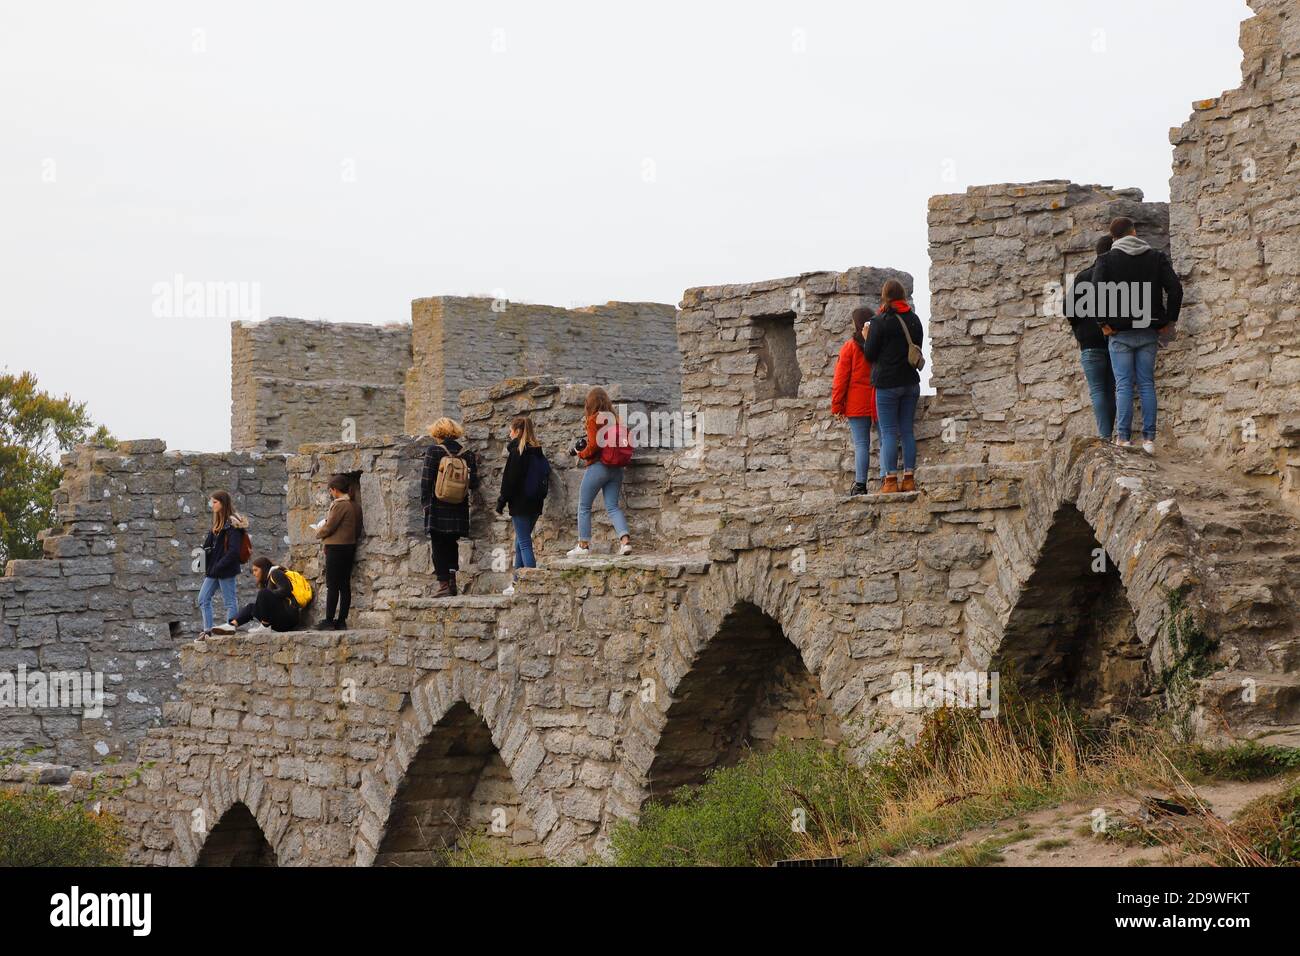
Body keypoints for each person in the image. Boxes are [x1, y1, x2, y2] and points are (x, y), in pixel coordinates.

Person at [1092, 216, 1183, 454]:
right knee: (1146, 384)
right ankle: (1149, 440)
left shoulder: (1106, 260)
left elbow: (1096, 293)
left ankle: (1123, 438)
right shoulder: (1155, 257)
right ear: (1134, 232)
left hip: (1119, 331)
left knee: (1123, 386)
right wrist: (1169, 320)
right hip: (1149, 328)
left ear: (1114, 238)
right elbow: (1175, 288)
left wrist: (1103, 323)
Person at [864, 279, 924, 493]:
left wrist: (865, 337)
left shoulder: (879, 321)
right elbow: (916, 348)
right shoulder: (915, 320)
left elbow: (870, 354)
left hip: (887, 384)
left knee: (889, 432)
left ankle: (890, 481)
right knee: (907, 430)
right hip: (910, 382)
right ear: (903, 295)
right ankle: (908, 478)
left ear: (884, 297)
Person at [567, 387, 633, 557]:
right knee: (612, 506)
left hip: (599, 467)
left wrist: (580, 453)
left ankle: (583, 545)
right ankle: (625, 543)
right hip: (616, 469)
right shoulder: (616, 419)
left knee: (584, 506)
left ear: (590, 403)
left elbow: (594, 446)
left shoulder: (593, 419)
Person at [1067, 235, 1120, 440]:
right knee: (1113, 389)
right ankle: (1113, 434)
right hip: (1115, 338)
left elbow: (1069, 310)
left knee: (1098, 390)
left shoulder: (1083, 276)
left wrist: (1080, 329)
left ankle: (1105, 436)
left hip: (1089, 342)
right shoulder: (1118, 277)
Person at [420, 417, 479, 598]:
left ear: (436, 433)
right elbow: (474, 483)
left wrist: (425, 505)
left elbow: (426, 480)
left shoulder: (434, 451)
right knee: (452, 544)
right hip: (458, 507)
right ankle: (453, 581)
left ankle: (443, 583)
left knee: (438, 544)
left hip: (438, 505)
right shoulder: (467, 453)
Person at [495, 415, 550, 596]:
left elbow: (510, 480)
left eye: (511, 430)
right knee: (519, 541)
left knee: (524, 542)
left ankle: (533, 581)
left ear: (517, 431)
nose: (509, 434)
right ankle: (516, 582)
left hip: (520, 503)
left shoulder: (517, 452)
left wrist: (502, 501)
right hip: (535, 503)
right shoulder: (538, 452)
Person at [832, 307, 878, 495]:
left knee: (861, 444)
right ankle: (886, 479)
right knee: (884, 440)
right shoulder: (878, 344)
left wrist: (837, 406)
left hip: (856, 403)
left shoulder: (850, 347)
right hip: (877, 399)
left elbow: (840, 379)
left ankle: (860, 485)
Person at [197, 490, 247, 638]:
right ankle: (207, 631)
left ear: (223, 503)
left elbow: (233, 552)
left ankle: (230, 629)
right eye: (211, 502)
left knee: (229, 601)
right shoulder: (217, 524)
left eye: (215, 502)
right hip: (213, 570)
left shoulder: (233, 524)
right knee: (203, 598)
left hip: (225, 569)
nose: (212, 505)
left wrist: (219, 565)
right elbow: (210, 547)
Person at [314, 474, 361, 630]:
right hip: (349, 546)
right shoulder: (354, 505)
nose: (331, 494)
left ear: (334, 490)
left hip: (336, 547)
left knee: (332, 585)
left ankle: (328, 620)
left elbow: (330, 526)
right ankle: (341, 621)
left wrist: (318, 532)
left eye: (331, 491)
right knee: (344, 585)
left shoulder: (339, 504)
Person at [211, 557, 301, 634]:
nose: (254, 573)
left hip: (289, 618)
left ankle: (265, 626)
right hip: (280, 622)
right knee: (251, 607)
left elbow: (286, 590)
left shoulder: (276, 573)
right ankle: (231, 625)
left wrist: (269, 594)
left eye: (256, 570)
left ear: (264, 569)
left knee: (263, 593)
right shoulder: (267, 581)